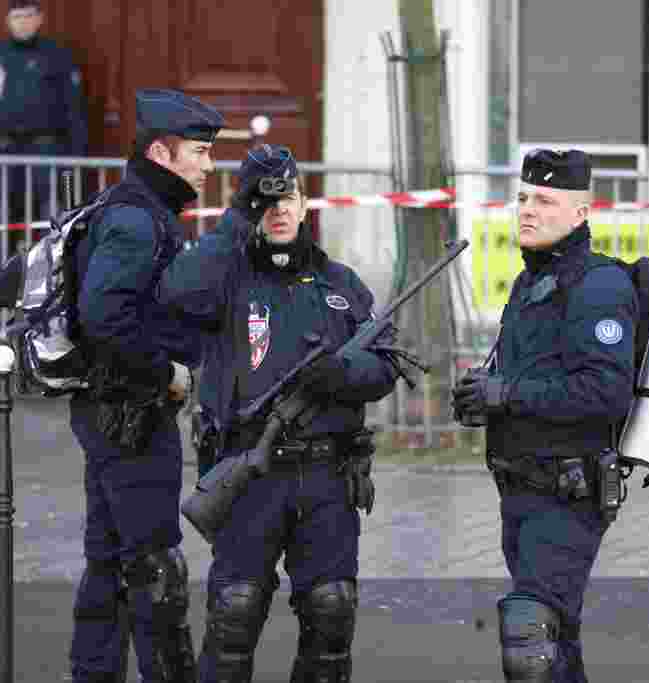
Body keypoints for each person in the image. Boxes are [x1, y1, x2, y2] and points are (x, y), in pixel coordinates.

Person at [157, 144, 400, 683]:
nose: (279, 209)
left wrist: (344, 377)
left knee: (331, 612)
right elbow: (175, 293)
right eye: (265, 200)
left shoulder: (342, 285)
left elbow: (387, 365)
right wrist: (236, 218)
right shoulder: (224, 280)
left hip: (327, 478)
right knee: (235, 614)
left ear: (305, 201)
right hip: (249, 474)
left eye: (287, 195)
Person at [451, 149, 638, 683]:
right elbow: (530, 382)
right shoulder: (531, 282)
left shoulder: (598, 287)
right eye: (524, 198)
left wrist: (506, 394)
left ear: (581, 214)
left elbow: (605, 393)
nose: (528, 210)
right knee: (557, 642)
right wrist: (481, 398)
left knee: (529, 637)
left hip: (568, 493)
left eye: (546, 201)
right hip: (523, 491)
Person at [67, 88, 224, 683]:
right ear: (162, 152)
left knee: (108, 559)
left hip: (113, 412)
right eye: (200, 153)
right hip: (130, 415)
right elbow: (105, 317)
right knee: (155, 565)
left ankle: (92, 673)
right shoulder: (136, 220)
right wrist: (166, 374)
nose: (209, 167)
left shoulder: (140, 209)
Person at [0, 0, 89, 296]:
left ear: (39, 19)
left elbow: (73, 109)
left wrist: (76, 157)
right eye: (16, 16)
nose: (22, 22)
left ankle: (50, 292)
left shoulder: (57, 57)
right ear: (8, 21)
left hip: (46, 150)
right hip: (3, 150)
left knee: (51, 218)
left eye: (28, 16)